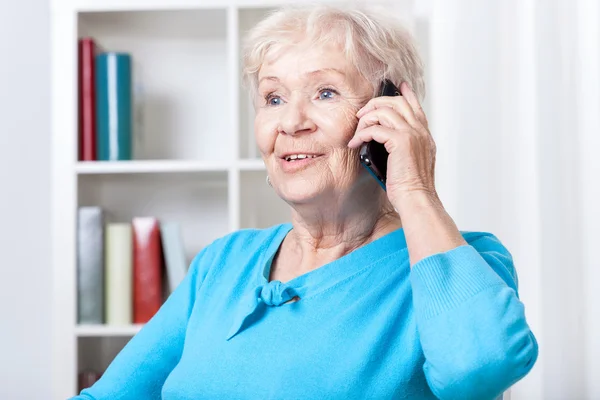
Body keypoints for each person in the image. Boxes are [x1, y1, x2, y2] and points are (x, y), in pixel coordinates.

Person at [74, 4, 538, 399]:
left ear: (392, 113)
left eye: (325, 92)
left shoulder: (464, 261)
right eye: (273, 97)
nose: (291, 122)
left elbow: (480, 368)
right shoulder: (223, 262)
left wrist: (415, 190)